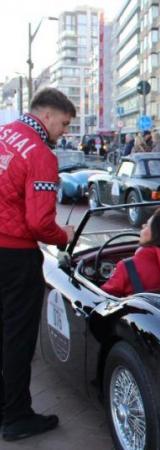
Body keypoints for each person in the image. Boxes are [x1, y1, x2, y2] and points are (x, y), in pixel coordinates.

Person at [0, 88, 76, 441]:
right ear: (47, 116)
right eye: (64, 123)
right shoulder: (41, 154)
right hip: (15, 256)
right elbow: (39, 225)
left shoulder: (4, 134)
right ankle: (15, 416)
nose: (64, 131)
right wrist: (66, 235)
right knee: (18, 337)